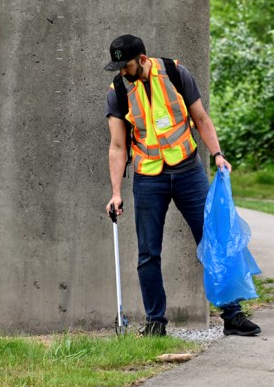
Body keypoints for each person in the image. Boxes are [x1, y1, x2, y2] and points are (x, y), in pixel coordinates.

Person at [103, 34, 261, 337]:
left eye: (127, 65)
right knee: (148, 253)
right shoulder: (119, 92)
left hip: (189, 171)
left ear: (143, 59)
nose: (122, 71)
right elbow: (117, 146)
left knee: (213, 240)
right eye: (118, 66)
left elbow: (201, 118)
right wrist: (115, 193)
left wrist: (217, 154)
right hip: (148, 177)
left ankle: (232, 315)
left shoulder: (176, 74)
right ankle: (155, 322)